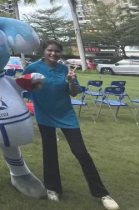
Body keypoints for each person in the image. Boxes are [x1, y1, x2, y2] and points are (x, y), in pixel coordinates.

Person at [23, 40, 119, 210]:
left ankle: (102, 193)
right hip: (45, 115)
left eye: (57, 51)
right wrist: (32, 89)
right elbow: (23, 87)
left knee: (81, 152)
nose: (53, 54)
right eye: (50, 50)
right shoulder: (33, 68)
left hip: (66, 115)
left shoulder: (64, 69)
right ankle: (52, 188)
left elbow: (74, 93)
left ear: (60, 53)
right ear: (43, 51)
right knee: (50, 152)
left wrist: (70, 81)